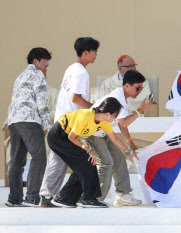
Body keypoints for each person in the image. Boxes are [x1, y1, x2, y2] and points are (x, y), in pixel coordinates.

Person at [39, 37, 100, 207]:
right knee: (81, 159)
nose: (96, 55)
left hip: (64, 122)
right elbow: (76, 98)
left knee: (61, 160)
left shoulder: (71, 69)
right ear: (86, 52)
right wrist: (93, 108)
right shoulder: (81, 72)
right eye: (94, 51)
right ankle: (58, 196)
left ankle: (53, 196)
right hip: (68, 124)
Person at [49, 97, 137, 208]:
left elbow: (114, 138)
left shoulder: (103, 122)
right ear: (108, 114)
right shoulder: (85, 116)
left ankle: (64, 198)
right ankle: (88, 199)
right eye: (115, 116)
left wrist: (129, 152)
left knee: (85, 165)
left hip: (66, 138)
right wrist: (89, 150)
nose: (114, 119)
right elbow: (72, 137)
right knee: (87, 162)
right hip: (58, 136)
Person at [86, 70, 152, 206]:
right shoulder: (119, 98)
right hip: (92, 132)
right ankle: (95, 198)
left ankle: (123, 194)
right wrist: (140, 110)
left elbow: (122, 126)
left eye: (141, 88)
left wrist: (130, 144)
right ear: (127, 85)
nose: (139, 91)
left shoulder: (123, 97)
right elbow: (123, 123)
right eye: (137, 88)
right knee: (106, 163)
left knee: (119, 157)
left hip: (103, 132)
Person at [6, 47, 52, 207]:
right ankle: (32, 197)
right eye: (45, 61)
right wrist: (48, 125)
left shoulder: (20, 76)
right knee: (39, 156)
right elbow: (41, 103)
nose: (47, 65)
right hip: (30, 120)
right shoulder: (38, 75)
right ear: (36, 61)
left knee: (17, 160)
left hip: (13, 121)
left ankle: (14, 199)